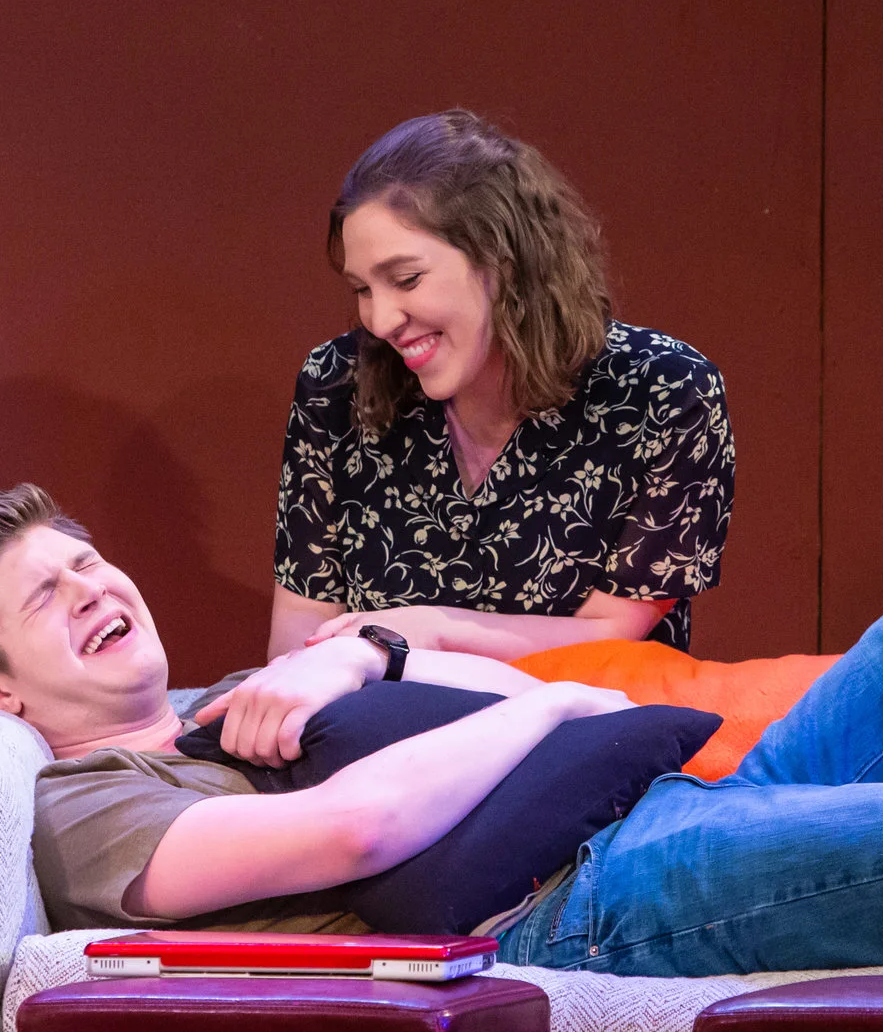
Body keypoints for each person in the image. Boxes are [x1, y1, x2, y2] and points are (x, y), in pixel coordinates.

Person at [0, 485, 883, 977]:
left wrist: (367, 655)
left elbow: (491, 700)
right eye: (45, 596)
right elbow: (352, 831)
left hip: (675, 808)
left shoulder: (250, 697)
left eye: (87, 559)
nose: (94, 588)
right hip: (568, 906)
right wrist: (563, 703)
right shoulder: (84, 804)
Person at [268, 110, 734, 661]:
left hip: (574, 710)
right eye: (362, 290)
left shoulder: (664, 391)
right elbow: (302, 626)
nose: (381, 319)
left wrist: (432, 630)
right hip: (370, 711)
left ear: (503, 259)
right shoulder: (336, 384)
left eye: (406, 279)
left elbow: (612, 636)